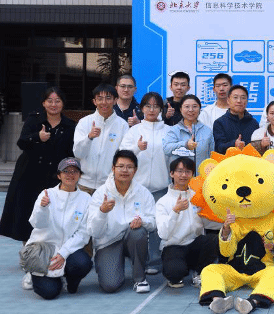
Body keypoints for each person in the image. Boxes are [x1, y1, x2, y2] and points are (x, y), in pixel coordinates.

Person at [0, 88, 76, 255]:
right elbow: (21, 142)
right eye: (50, 101)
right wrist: (37, 137)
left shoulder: (70, 125)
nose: (54, 104)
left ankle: (53, 253)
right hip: (29, 174)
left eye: (57, 101)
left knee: (53, 215)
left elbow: (72, 152)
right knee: (27, 212)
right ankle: (28, 252)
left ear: (63, 104)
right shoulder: (34, 120)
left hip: (54, 177)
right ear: (43, 103)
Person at [87, 150, 156, 293]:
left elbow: (154, 223)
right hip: (108, 242)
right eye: (121, 166)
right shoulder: (100, 194)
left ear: (135, 170)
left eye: (129, 167)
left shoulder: (143, 193)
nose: (125, 170)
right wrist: (102, 212)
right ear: (113, 168)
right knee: (110, 285)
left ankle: (140, 279)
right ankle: (113, 267)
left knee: (138, 232)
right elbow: (94, 232)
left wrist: (142, 221)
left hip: (132, 238)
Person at [25, 157, 93, 299]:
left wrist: (63, 253)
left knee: (83, 263)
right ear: (59, 175)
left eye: (75, 171)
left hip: (68, 249)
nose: (70, 175)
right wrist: (43, 208)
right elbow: (37, 224)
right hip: (44, 249)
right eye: (66, 171)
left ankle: (70, 281)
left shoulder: (86, 199)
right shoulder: (47, 194)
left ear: (80, 175)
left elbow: (83, 232)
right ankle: (35, 273)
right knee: (49, 292)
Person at [120, 92, 171, 275]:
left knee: (157, 225)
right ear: (141, 108)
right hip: (138, 187)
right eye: (148, 106)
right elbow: (122, 155)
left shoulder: (169, 131)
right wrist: (137, 148)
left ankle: (155, 261)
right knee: (137, 223)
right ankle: (136, 259)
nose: (152, 110)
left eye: (156, 106)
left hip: (161, 186)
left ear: (161, 110)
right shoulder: (134, 131)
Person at [156, 157, 219, 288]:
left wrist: (225, 224)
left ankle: (199, 271)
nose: (183, 175)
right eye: (179, 171)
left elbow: (207, 222)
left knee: (213, 239)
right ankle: (178, 270)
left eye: (187, 171)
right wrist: (175, 211)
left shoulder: (197, 196)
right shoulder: (163, 202)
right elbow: (163, 233)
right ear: (171, 173)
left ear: (192, 174)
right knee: (175, 274)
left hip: (195, 244)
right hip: (174, 246)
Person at [73, 83, 129, 194]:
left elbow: (124, 155)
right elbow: (78, 153)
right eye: (100, 98)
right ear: (94, 101)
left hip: (109, 184)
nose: (104, 102)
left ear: (115, 100)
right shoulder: (84, 122)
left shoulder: (122, 125)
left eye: (108, 98)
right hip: (84, 184)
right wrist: (89, 138)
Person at [163, 94, 215, 171]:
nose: (191, 110)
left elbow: (212, 155)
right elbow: (166, 149)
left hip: (201, 176)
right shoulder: (174, 130)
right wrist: (185, 144)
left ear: (200, 109)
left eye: (195, 106)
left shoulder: (207, 131)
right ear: (181, 109)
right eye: (187, 106)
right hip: (181, 176)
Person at [212, 85, 260, 155]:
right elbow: (218, 148)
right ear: (228, 100)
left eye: (243, 98)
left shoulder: (253, 123)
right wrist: (234, 144)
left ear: (247, 101)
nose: (239, 101)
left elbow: (257, 147)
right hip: (228, 161)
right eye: (235, 97)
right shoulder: (219, 123)